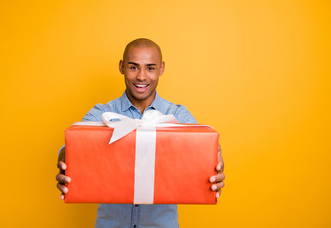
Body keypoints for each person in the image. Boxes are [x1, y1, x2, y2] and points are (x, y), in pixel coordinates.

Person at [56, 38, 225, 228]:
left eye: (150, 68)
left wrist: (216, 166)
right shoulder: (102, 113)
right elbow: (70, 148)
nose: (142, 77)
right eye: (133, 67)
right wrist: (66, 164)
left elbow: (204, 153)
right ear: (121, 67)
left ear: (161, 69)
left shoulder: (177, 115)